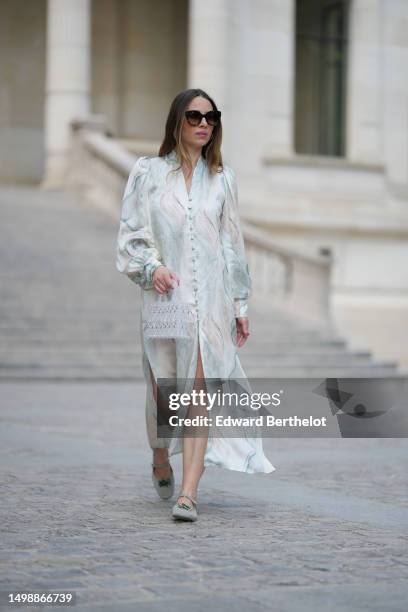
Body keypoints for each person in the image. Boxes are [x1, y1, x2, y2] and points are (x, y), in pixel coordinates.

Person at [116, 88, 275, 522]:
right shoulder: (147, 173)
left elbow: (232, 245)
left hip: (212, 306)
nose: (204, 123)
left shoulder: (224, 179)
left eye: (211, 117)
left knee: (200, 391)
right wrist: (152, 269)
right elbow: (133, 233)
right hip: (165, 301)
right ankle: (160, 458)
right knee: (164, 397)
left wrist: (240, 306)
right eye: (194, 116)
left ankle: (188, 493)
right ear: (177, 122)